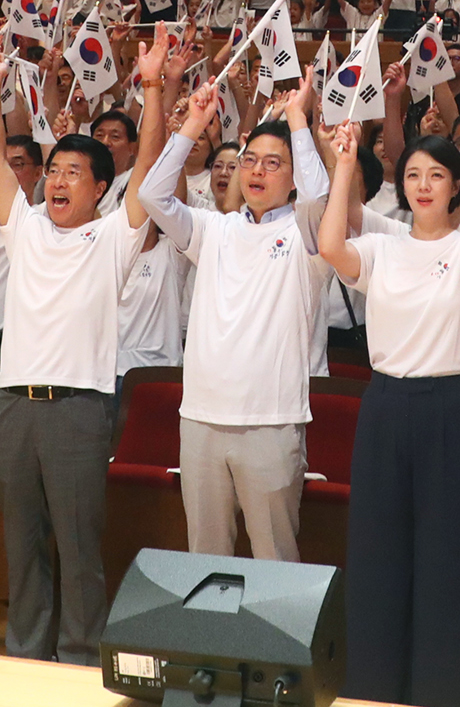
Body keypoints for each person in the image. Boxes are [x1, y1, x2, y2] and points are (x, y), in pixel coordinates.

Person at [0, 25, 145, 664]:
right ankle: (26, 656)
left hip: (78, 406)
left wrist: (154, 89)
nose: (58, 180)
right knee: (21, 543)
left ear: (101, 188)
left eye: (75, 172)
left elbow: (149, 165)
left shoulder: (113, 240)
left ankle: (78, 661)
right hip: (14, 404)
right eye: (54, 170)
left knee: (77, 548)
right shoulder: (25, 228)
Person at [318, 97, 460, 707]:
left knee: (446, 558)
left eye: (435, 175)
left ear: (456, 186)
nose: (422, 186)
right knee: (377, 553)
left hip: (448, 407)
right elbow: (331, 244)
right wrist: (343, 164)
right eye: (412, 174)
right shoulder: (384, 247)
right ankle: (373, 689)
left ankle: (442, 692)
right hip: (385, 405)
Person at [135, 76, 336, 562]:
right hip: (201, 418)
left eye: (274, 163)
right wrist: (193, 126)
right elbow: (152, 197)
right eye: (250, 160)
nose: (256, 172)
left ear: (292, 176)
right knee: (205, 558)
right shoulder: (213, 229)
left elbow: (319, 196)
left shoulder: (309, 236)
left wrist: (297, 121)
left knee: (275, 562)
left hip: (270, 423)